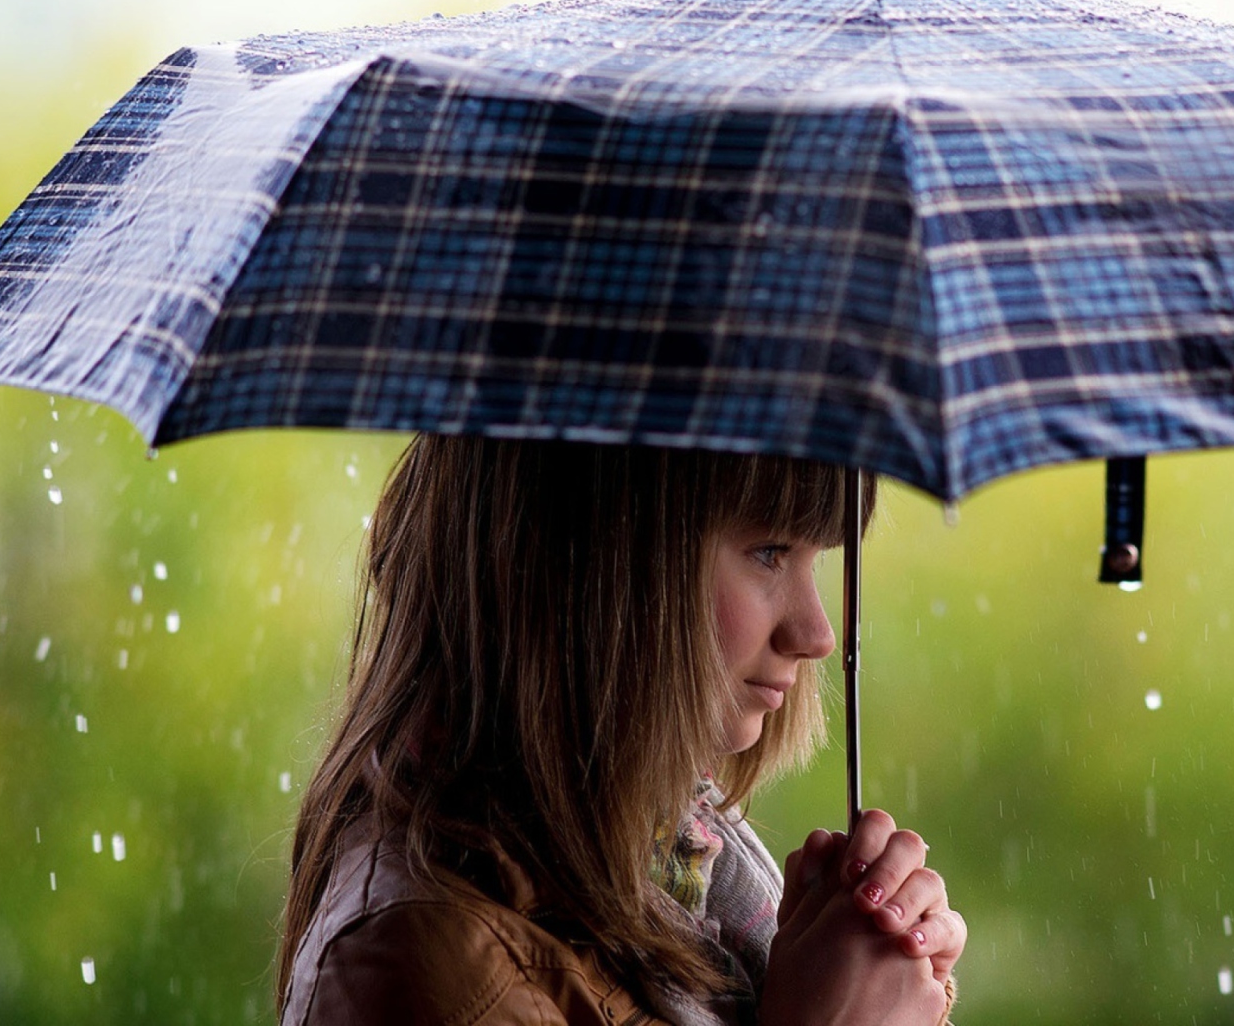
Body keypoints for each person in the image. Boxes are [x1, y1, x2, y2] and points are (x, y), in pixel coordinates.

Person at [276, 436, 965, 1026]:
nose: (816, 633)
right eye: (768, 551)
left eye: (816, 559)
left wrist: (880, 982)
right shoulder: (433, 973)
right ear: (598, 559)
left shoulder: (676, 881)